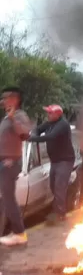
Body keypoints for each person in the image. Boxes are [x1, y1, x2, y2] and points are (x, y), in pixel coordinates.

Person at [28, 105, 75, 224]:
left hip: (65, 161)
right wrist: (33, 134)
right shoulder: (49, 123)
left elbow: (50, 136)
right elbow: (38, 129)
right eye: (47, 113)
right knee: (53, 186)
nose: (47, 115)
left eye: (50, 113)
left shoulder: (62, 125)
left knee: (59, 186)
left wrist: (32, 139)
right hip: (55, 161)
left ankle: (60, 215)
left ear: (57, 115)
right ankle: (58, 209)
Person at [0, 87, 32, 246]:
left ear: (15, 99)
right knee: (5, 198)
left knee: (8, 198)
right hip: (4, 161)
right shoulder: (7, 117)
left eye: (6, 97)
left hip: (10, 162)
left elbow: (25, 134)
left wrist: (12, 118)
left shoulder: (20, 116)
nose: (3, 100)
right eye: (3, 98)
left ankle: (19, 233)